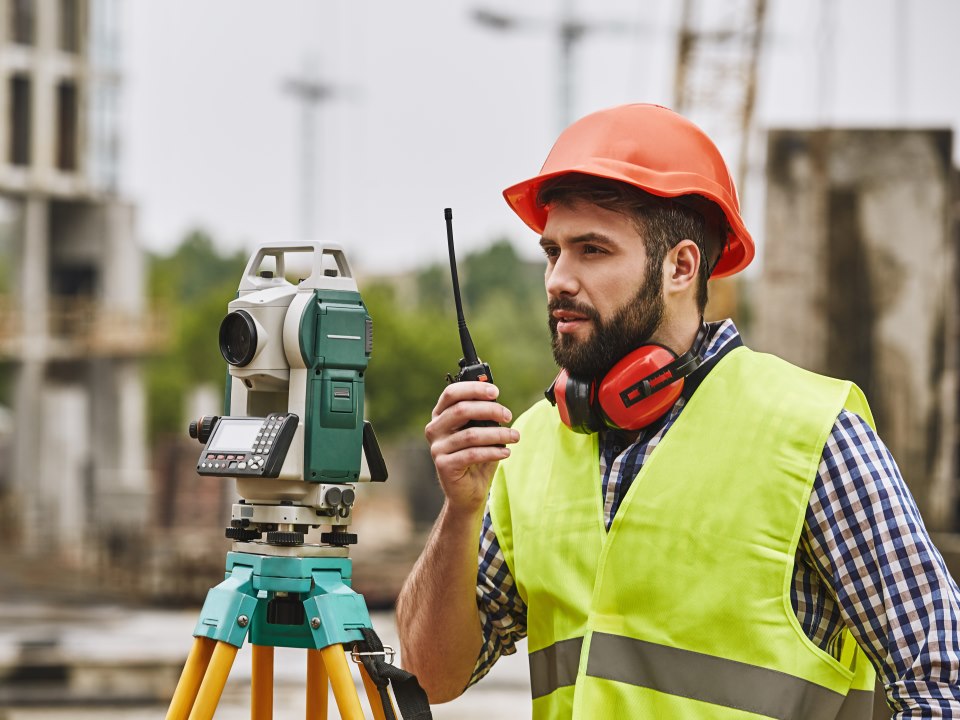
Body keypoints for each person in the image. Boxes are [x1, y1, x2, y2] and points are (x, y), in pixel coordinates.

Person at [395, 103, 960, 718]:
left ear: (681, 266)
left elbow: (940, 679)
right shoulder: (524, 448)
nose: (558, 278)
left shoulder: (812, 435)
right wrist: (460, 509)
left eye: (593, 250)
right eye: (552, 251)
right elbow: (429, 676)